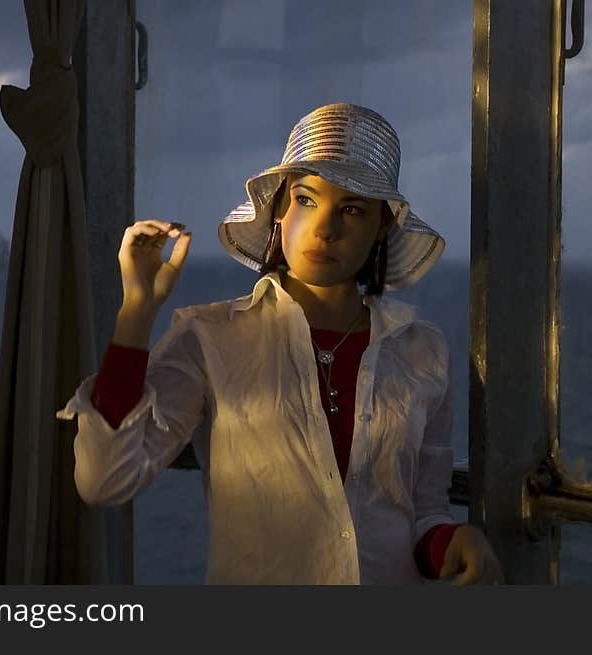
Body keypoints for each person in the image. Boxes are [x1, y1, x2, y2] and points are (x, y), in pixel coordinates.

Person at [57, 103, 504, 585]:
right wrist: (137, 312)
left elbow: (423, 515)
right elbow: (105, 480)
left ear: (382, 228)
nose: (325, 228)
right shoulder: (211, 338)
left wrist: (456, 540)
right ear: (277, 212)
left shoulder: (422, 351)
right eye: (306, 199)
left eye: (352, 208)